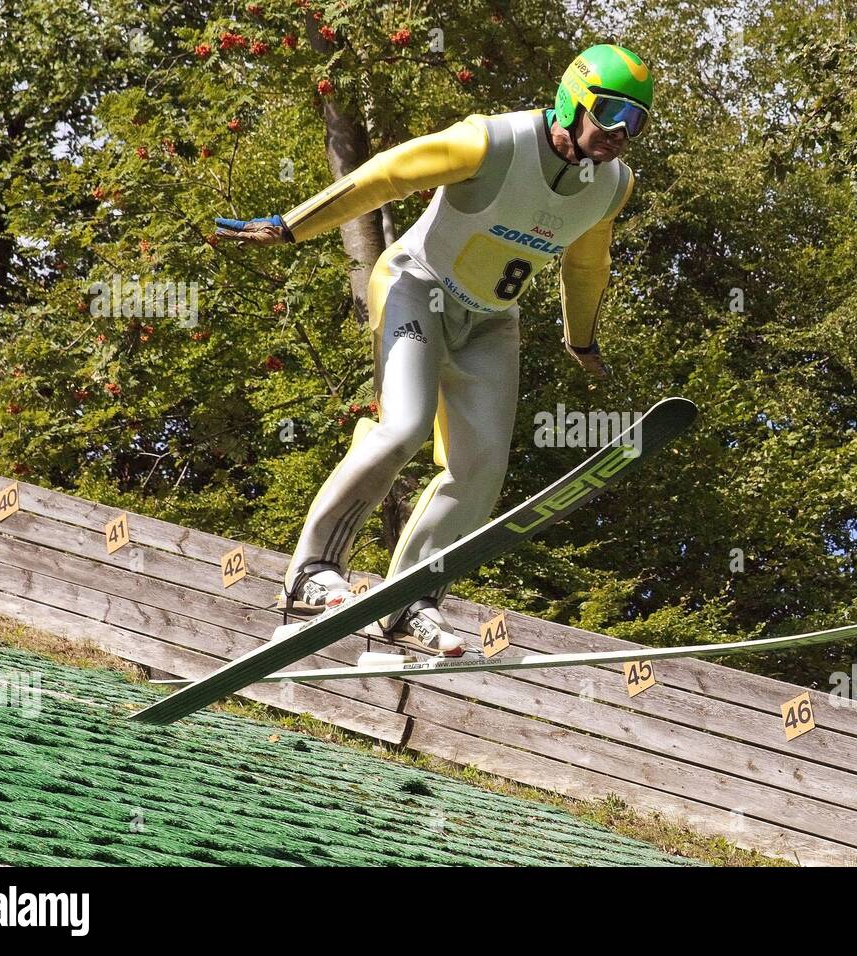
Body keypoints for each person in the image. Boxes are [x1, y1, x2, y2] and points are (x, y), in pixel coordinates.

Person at [215, 44, 654, 656]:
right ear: (571, 99)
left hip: (491, 323)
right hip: (416, 289)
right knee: (403, 429)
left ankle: (408, 602)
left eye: (636, 121)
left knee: (481, 470)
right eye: (610, 114)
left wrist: (581, 338)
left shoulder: (610, 187)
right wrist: (294, 223)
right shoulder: (491, 142)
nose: (619, 133)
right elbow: (386, 174)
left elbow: (587, 264)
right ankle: (312, 573)